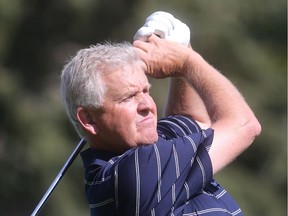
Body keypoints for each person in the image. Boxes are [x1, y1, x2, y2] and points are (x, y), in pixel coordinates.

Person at [60, 11, 261, 216]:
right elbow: (244, 125)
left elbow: (192, 122)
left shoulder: (143, 148)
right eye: (128, 97)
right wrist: (187, 61)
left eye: (146, 90)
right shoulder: (133, 174)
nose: (147, 104)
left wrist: (180, 47)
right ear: (89, 119)